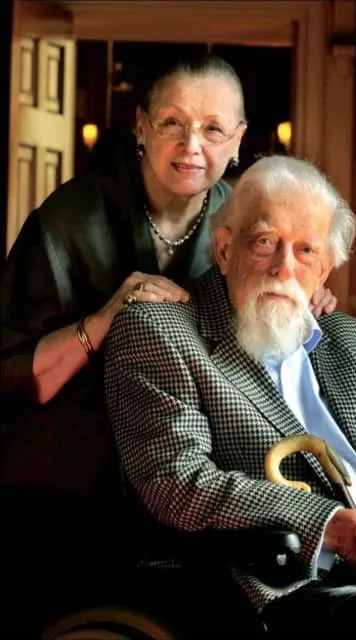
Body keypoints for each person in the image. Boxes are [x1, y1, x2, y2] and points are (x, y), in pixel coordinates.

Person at [0, 53, 335, 637]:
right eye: (173, 122)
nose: (191, 145)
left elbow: (272, 303)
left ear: (238, 139)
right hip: (68, 481)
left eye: (213, 128)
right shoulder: (68, 219)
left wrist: (300, 294)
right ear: (141, 126)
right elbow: (13, 376)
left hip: (182, 468)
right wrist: (104, 319)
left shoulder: (243, 218)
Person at [105, 155, 356, 640]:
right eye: (265, 242)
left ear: (324, 270)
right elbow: (179, 484)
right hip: (272, 587)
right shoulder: (159, 330)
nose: (284, 268)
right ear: (224, 249)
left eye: (306, 251)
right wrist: (343, 530)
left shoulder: (350, 341)